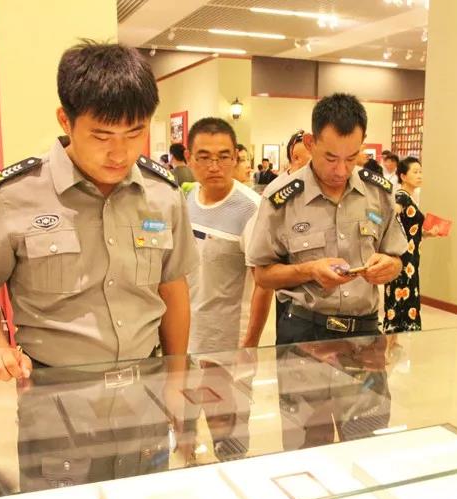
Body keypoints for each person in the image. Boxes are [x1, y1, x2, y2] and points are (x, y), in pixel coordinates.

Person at [0, 41, 198, 381]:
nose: (120, 153)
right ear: (65, 121)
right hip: (52, 385)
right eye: (101, 136)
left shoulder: (163, 194)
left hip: (144, 381)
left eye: (135, 133)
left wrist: (176, 378)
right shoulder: (12, 195)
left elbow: (172, 288)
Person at [246, 92, 406, 345]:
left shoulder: (378, 192)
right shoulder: (281, 198)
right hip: (304, 332)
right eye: (330, 158)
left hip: (365, 332)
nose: (341, 170)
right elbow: (262, 275)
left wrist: (390, 266)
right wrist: (309, 271)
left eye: (351, 158)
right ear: (310, 143)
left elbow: (396, 258)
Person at [184, 117, 273, 352]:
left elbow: (263, 285)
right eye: (204, 157)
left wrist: (250, 344)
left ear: (235, 158)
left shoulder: (252, 208)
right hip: (187, 334)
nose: (214, 167)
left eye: (223, 157)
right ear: (189, 158)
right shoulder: (187, 199)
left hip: (229, 342)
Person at [383, 157, 429, 332]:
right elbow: (391, 216)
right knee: (399, 297)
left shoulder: (410, 197)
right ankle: (390, 341)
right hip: (403, 257)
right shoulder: (401, 196)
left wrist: (427, 233)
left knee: (405, 296)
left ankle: (394, 340)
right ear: (403, 176)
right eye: (415, 172)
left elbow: (410, 229)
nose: (419, 175)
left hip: (411, 257)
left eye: (420, 171)